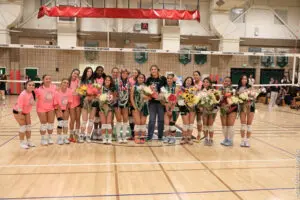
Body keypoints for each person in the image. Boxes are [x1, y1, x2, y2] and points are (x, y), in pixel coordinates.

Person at [146, 65, 167, 141]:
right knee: (152, 120)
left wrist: (162, 95)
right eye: (152, 69)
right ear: (150, 71)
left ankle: (160, 136)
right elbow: (146, 90)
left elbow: (166, 88)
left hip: (161, 102)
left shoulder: (162, 78)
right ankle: (149, 136)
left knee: (161, 120)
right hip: (152, 102)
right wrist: (150, 94)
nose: (153, 70)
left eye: (155, 69)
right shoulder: (149, 79)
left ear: (158, 70)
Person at [13, 80, 36, 149]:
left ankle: (29, 141)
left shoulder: (32, 93)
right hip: (19, 111)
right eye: (29, 85)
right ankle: (22, 143)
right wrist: (20, 115)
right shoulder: (23, 94)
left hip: (26, 112)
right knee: (23, 127)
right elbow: (20, 106)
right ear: (26, 86)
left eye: (33, 85)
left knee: (28, 127)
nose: (31, 86)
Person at [35, 74, 57, 146]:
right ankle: (43, 139)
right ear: (43, 80)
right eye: (46, 79)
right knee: (43, 124)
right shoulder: (38, 89)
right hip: (41, 109)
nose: (48, 80)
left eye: (49, 79)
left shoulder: (54, 87)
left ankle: (50, 138)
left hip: (51, 108)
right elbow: (31, 95)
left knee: (50, 124)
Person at [130, 73, 149, 144]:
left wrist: (147, 97)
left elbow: (149, 97)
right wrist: (135, 107)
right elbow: (131, 98)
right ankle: (136, 137)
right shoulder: (133, 87)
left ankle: (142, 138)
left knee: (143, 123)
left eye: (142, 78)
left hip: (144, 106)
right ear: (137, 78)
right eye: (139, 77)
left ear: (144, 79)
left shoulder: (147, 87)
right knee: (137, 123)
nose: (141, 79)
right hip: (136, 107)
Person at [237, 75, 255, 147]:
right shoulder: (238, 88)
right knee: (243, 125)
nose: (244, 80)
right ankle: (242, 140)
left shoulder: (250, 87)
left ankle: (247, 141)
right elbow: (237, 97)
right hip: (242, 107)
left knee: (249, 125)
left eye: (245, 79)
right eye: (243, 79)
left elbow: (254, 96)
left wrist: (251, 96)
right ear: (241, 80)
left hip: (251, 106)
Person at [220, 77, 238, 146]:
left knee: (230, 125)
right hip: (223, 108)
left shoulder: (233, 90)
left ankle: (231, 140)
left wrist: (229, 104)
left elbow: (236, 100)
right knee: (224, 125)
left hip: (232, 109)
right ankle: (226, 139)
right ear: (223, 82)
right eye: (225, 81)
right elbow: (218, 100)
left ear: (230, 83)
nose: (226, 82)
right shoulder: (220, 90)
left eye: (228, 81)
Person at [162, 73, 179, 145]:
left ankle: (173, 138)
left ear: (173, 79)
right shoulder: (163, 88)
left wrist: (171, 108)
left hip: (175, 108)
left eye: (170, 78)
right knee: (166, 124)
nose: (169, 79)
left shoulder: (176, 88)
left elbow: (176, 100)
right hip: (166, 108)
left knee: (172, 124)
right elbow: (162, 99)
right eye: (168, 78)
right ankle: (167, 136)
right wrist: (166, 106)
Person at [79, 67, 95, 143]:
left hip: (93, 102)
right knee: (84, 120)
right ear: (85, 72)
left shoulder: (94, 81)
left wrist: (91, 96)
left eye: (91, 72)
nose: (89, 73)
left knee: (91, 120)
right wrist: (85, 95)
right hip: (84, 102)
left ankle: (88, 135)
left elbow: (96, 92)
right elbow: (79, 92)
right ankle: (82, 135)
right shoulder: (81, 81)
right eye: (88, 71)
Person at [114, 68, 131, 144]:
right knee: (118, 119)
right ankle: (118, 136)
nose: (124, 74)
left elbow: (130, 92)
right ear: (121, 74)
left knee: (125, 119)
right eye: (123, 73)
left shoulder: (129, 82)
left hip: (126, 102)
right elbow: (113, 91)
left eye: (126, 73)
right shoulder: (116, 81)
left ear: (128, 74)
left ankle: (124, 136)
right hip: (117, 102)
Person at [178, 77, 196, 145]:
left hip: (192, 108)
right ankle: (183, 137)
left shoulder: (194, 89)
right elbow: (179, 98)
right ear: (185, 81)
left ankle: (189, 138)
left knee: (191, 124)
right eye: (187, 80)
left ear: (191, 82)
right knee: (185, 123)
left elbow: (196, 98)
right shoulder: (181, 89)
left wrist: (192, 103)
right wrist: (184, 101)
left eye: (190, 81)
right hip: (183, 107)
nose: (188, 81)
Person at [54, 78, 73, 145]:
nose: (66, 84)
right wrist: (60, 110)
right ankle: (59, 138)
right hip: (58, 108)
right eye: (64, 82)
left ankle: (65, 138)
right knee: (60, 123)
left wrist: (66, 109)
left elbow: (69, 101)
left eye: (67, 83)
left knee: (65, 123)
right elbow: (56, 102)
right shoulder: (56, 91)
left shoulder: (70, 91)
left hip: (66, 108)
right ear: (61, 83)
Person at [201, 78, 218, 146]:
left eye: (207, 82)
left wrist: (212, 105)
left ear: (210, 83)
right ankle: (206, 139)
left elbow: (217, 100)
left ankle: (211, 139)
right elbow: (199, 101)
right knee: (205, 125)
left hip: (212, 110)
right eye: (204, 82)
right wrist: (201, 106)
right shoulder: (201, 91)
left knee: (210, 125)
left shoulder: (214, 91)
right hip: (204, 110)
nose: (205, 83)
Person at [99, 76, 115, 144]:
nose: (107, 81)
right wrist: (102, 100)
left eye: (109, 80)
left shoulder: (112, 89)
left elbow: (114, 98)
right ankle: (104, 138)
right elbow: (98, 96)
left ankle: (109, 138)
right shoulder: (101, 88)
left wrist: (111, 100)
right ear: (104, 81)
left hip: (110, 107)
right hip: (102, 107)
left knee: (108, 123)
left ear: (110, 81)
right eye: (106, 80)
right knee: (103, 123)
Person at [92, 66, 106, 140]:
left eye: (101, 70)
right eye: (98, 70)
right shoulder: (93, 79)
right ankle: (94, 132)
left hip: (102, 99)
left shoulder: (104, 79)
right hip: (95, 99)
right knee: (95, 116)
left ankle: (100, 132)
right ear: (96, 71)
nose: (100, 72)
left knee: (101, 116)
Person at [68, 69, 81, 142]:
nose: (75, 75)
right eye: (74, 73)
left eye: (77, 74)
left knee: (78, 119)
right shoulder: (68, 81)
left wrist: (79, 86)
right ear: (72, 73)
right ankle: (71, 134)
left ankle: (77, 134)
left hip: (78, 101)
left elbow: (81, 91)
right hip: (70, 102)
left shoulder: (78, 81)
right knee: (72, 119)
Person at [128, 68, 141, 140]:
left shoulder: (140, 80)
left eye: (136, 72)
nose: (134, 73)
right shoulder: (129, 80)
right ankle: (132, 134)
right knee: (130, 118)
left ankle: (138, 134)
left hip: (139, 103)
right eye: (133, 72)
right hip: (129, 101)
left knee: (138, 119)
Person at [193, 71, 203, 142]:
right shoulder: (192, 83)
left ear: (199, 76)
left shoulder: (202, 83)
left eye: (196, 75)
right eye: (194, 75)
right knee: (191, 121)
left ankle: (199, 134)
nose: (195, 76)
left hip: (199, 104)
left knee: (199, 120)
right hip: (192, 104)